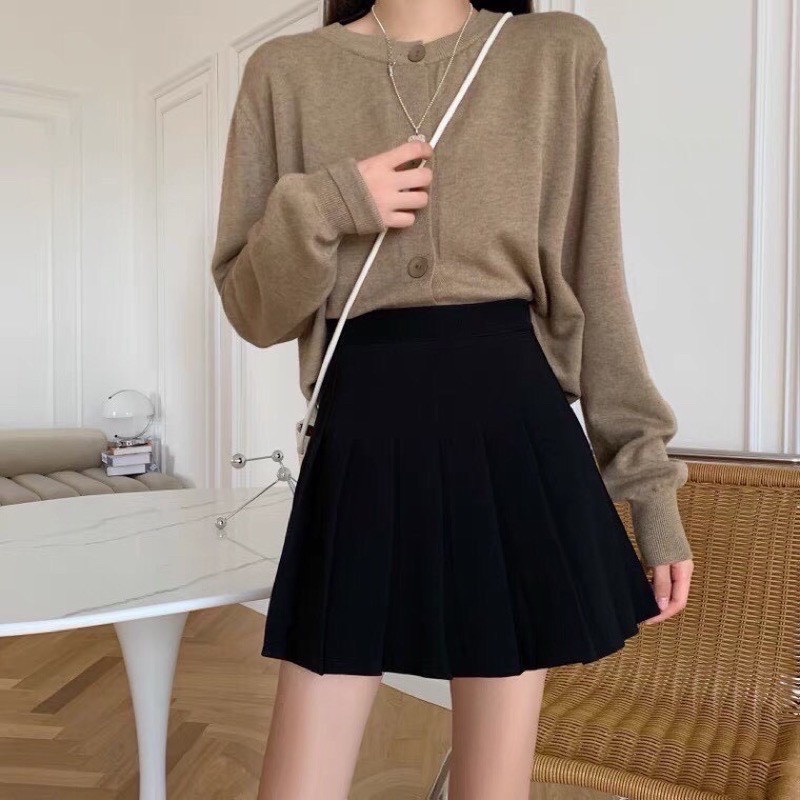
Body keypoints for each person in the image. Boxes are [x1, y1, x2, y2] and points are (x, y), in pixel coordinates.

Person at [209, 1, 695, 798]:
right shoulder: (285, 72)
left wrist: (647, 484)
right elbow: (252, 309)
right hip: (363, 437)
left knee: (492, 786)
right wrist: (328, 204)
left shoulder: (556, 53)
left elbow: (597, 280)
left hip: (515, 435)